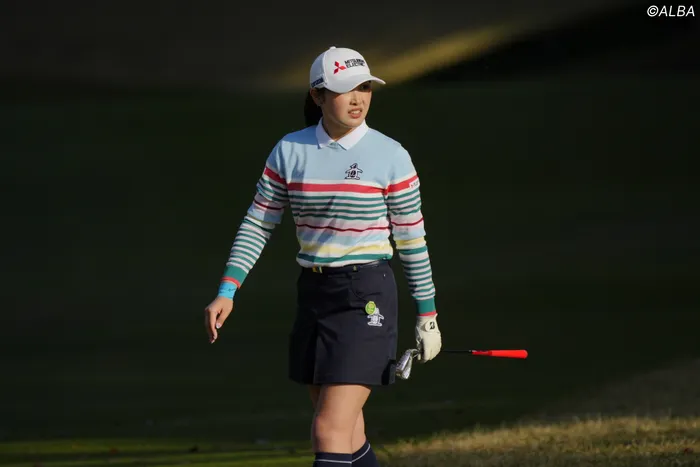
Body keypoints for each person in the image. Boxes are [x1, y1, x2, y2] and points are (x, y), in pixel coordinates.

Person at [204, 46, 442, 467]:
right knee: (347, 433)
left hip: (366, 295)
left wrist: (428, 315)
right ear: (317, 95)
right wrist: (228, 290)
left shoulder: (391, 155)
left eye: (365, 87)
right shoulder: (289, 151)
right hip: (314, 294)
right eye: (346, 89)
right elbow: (259, 222)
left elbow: (412, 239)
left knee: (327, 430)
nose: (358, 99)